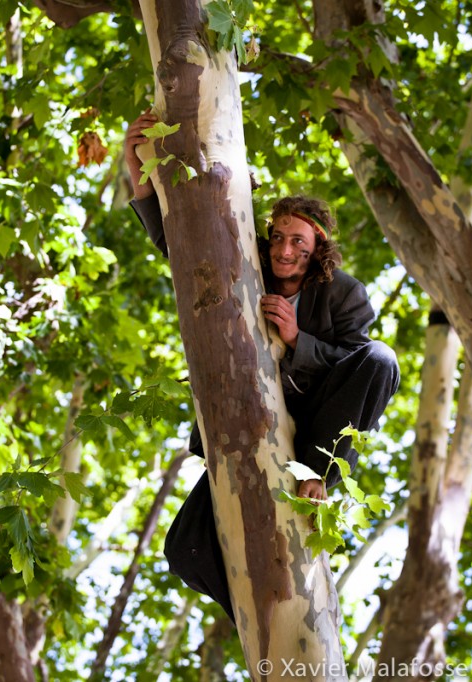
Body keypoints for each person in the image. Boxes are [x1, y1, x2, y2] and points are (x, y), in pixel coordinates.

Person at [124, 111, 400, 619]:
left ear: (318, 251)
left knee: (383, 357)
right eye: (279, 237)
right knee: (184, 551)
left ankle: (317, 476)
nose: (285, 249)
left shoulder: (345, 295)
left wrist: (298, 340)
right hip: (239, 415)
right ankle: (255, 617)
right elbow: (175, 242)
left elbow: (360, 371)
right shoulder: (246, 260)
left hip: (314, 423)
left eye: (300, 242)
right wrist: (134, 168)